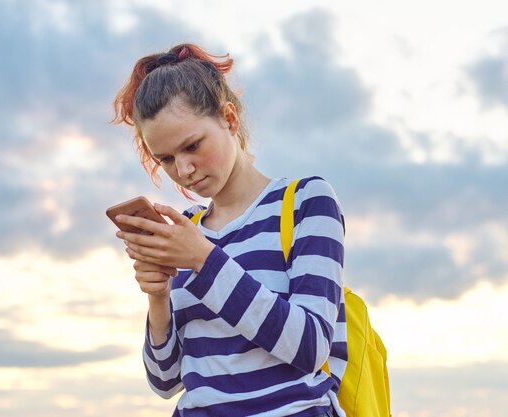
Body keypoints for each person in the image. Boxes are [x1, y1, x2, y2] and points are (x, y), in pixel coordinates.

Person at [111, 43, 347, 417]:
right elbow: (166, 382)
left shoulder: (305, 201)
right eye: (167, 159)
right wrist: (157, 298)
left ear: (230, 120)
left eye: (192, 146)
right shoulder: (184, 229)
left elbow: (310, 346)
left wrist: (203, 258)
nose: (184, 170)